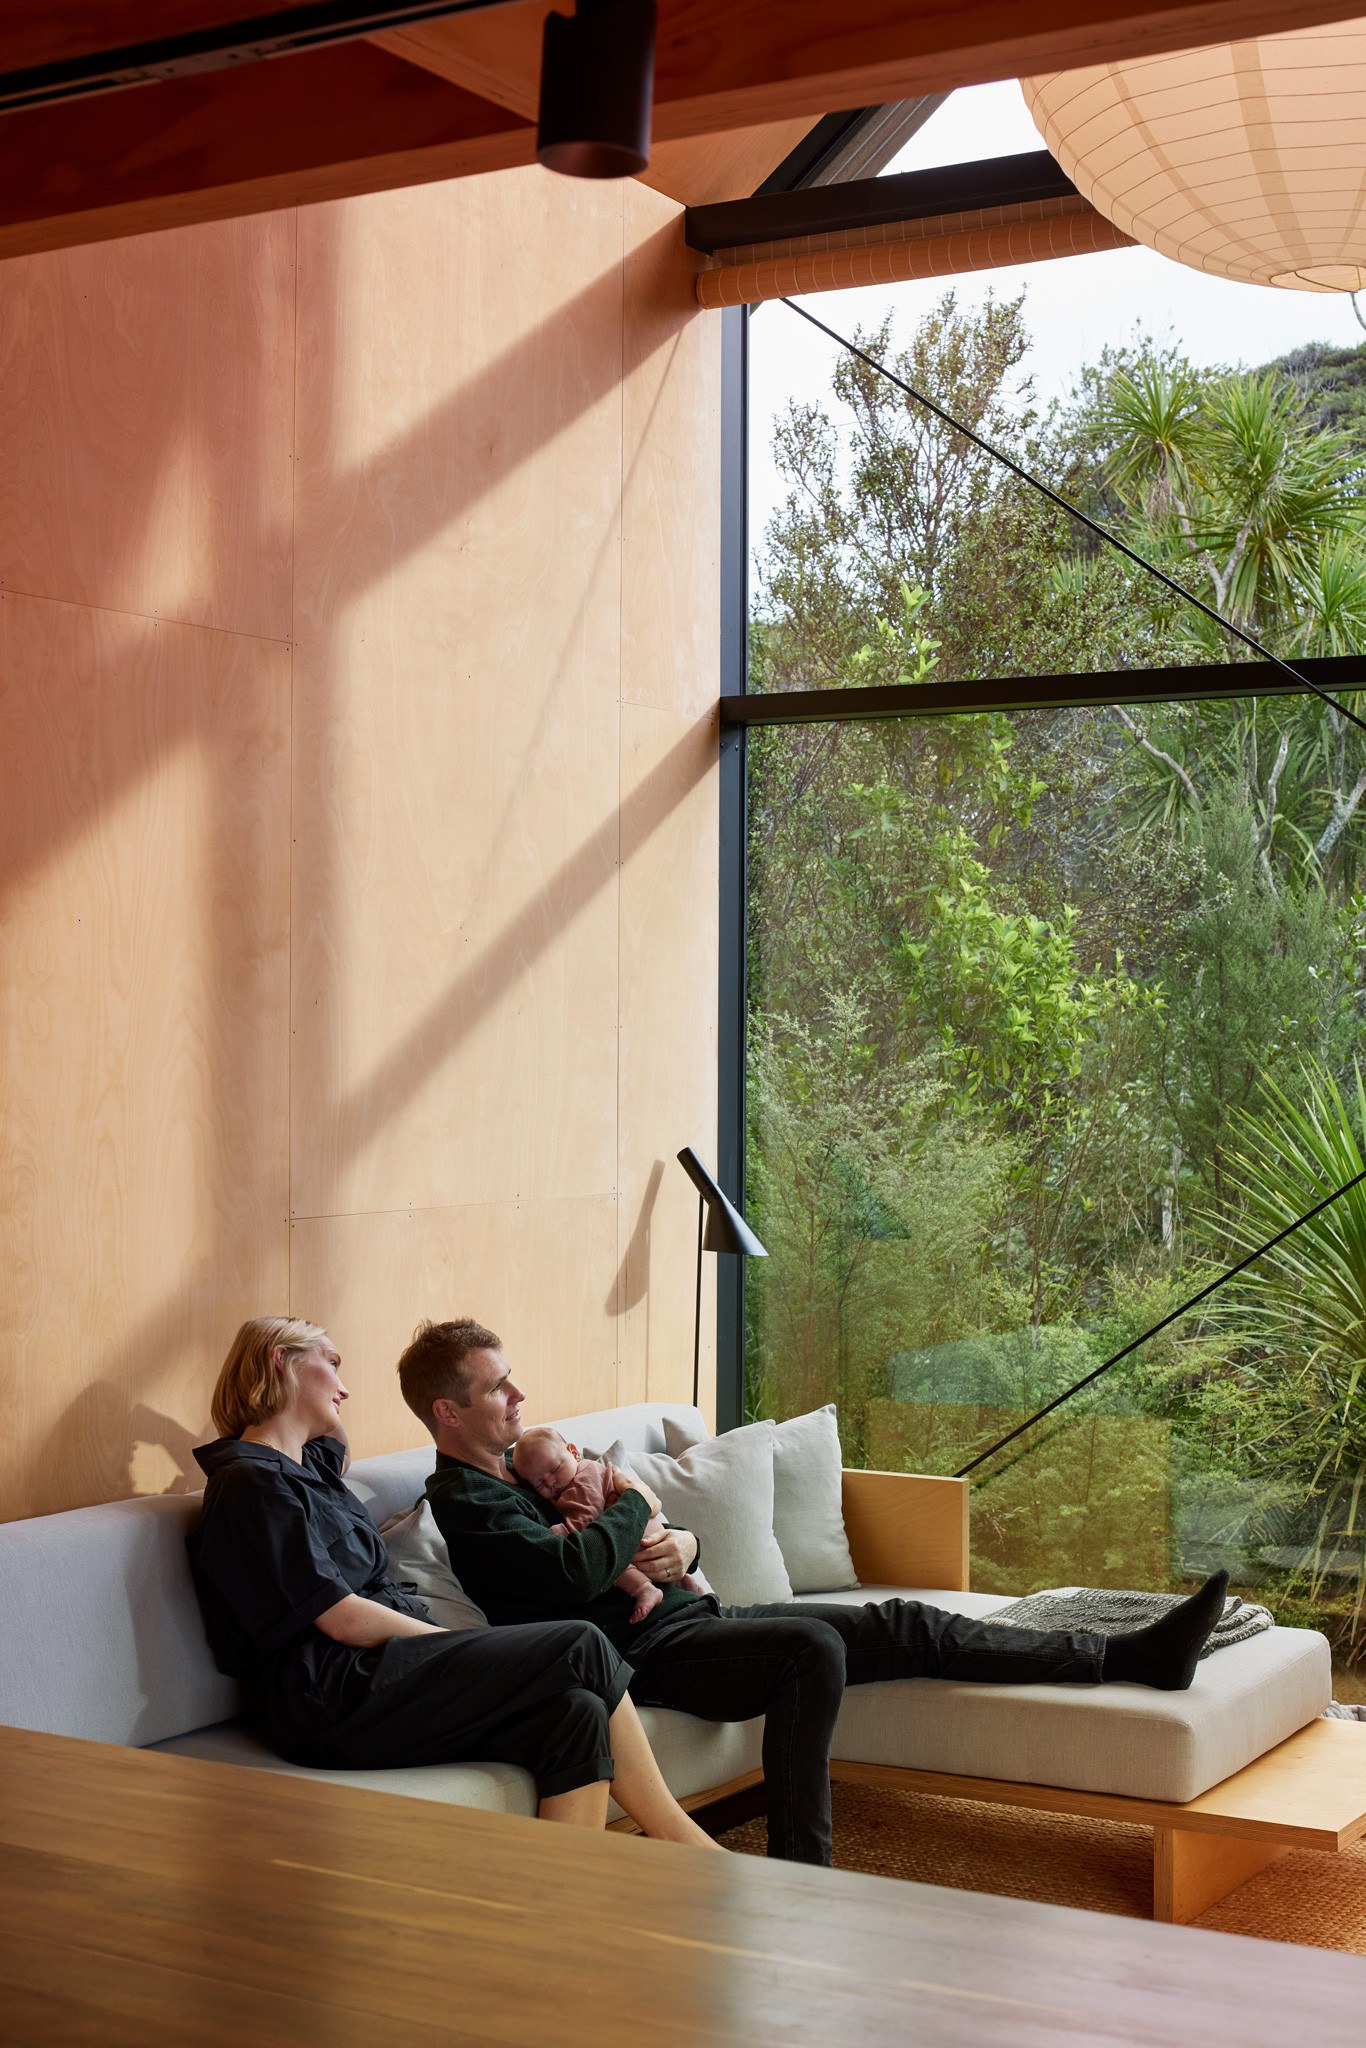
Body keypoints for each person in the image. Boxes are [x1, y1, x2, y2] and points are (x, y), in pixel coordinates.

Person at [403, 1316, 1231, 1868]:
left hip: (695, 1618)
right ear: (448, 1412)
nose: (519, 1396)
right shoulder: (464, 1501)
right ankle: (803, 1871)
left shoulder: (526, 1469)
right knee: (811, 1646)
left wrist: (680, 1540)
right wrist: (630, 1507)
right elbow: (571, 1574)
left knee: (901, 1619)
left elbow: (648, 1539)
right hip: (635, 1659)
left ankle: (1126, 1653)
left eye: (513, 1380)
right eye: (498, 1387)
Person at [186, 1316, 720, 1848]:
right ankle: (689, 1849)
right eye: (332, 1363)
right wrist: (455, 1646)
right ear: (281, 1361)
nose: (345, 1387)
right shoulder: (250, 1485)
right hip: (333, 1692)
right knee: (580, 1642)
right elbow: (341, 1617)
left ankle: (561, 1913)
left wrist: (302, 1395)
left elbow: (335, 1446)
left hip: (383, 1672)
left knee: (574, 1712)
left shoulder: (310, 1470)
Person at [512, 1425, 704, 1624]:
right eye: (540, 1484)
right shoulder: (590, 1471)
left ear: (574, 1452)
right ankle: (692, 1588)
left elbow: (587, 1523)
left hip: (639, 1539)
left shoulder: (578, 1485)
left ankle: (644, 1589)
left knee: (614, 1564)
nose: (552, 1482)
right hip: (654, 1537)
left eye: (555, 1469)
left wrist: (560, 1531)